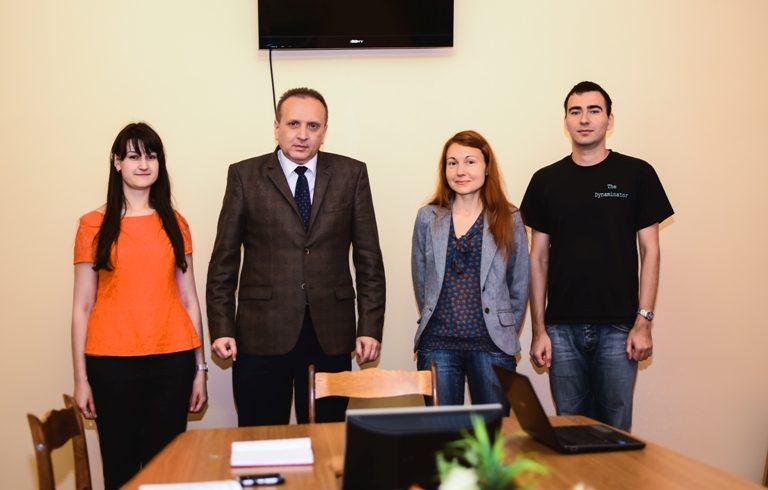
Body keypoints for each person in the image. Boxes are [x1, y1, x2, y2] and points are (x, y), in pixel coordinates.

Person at [206, 87, 386, 426]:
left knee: (326, 441)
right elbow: (223, 263)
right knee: (261, 441)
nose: (303, 134)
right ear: (277, 127)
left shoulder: (351, 174)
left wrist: (370, 327)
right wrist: (221, 327)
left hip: (330, 336)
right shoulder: (244, 175)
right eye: (293, 124)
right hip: (260, 334)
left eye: (313, 126)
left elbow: (369, 261)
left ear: (324, 131)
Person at [520, 81, 674, 431]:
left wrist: (643, 323)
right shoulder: (545, 180)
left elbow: (650, 251)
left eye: (594, 110)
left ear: (609, 120)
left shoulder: (637, 174)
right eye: (575, 111)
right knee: (570, 431)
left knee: (615, 434)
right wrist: (539, 330)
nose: (584, 119)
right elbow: (537, 258)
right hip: (561, 329)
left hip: (619, 328)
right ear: (566, 121)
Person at [71, 122, 208, 489]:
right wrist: (81, 380)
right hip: (111, 365)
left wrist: (200, 369)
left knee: (168, 472)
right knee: (121, 470)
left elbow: (189, 299)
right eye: (133, 156)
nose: (144, 164)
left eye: (152, 156)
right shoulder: (92, 225)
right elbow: (82, 306)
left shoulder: (176, 223)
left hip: (173, 362)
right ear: (117, 162)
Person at [411, 130, 529, 412]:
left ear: (487, 167)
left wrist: (504, 326)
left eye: (470, 162)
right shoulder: (428, 217)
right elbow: (422, 278)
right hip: (438, 343)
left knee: (491, 431)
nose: (460, 171)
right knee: (442, 432)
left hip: (492, 344)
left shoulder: (509, 218)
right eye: (452, 163)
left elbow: (519, 283)